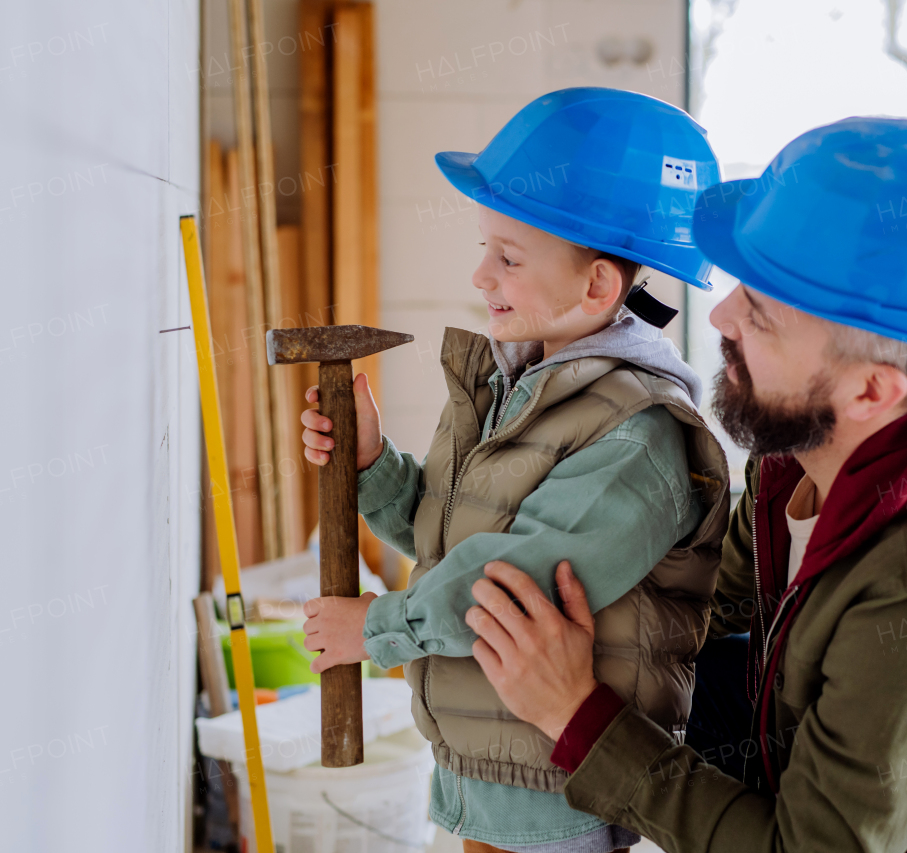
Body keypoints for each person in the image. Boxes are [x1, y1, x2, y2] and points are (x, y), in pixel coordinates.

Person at [460, 117, 907, 852]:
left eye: (762, 317)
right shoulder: (802, 445)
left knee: (597, 713)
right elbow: (707, 603)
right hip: (829, 746)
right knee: (648, 663)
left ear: (870, 390)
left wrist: (580, 716)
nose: (723, 314)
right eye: (746, 285)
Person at [296, 88, 731, 853]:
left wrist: (379, 628)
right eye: (484, 247)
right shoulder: (516, 382)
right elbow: (449, 527)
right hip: (481, 773)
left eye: (508, 257)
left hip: (558, 791)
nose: (480, 276)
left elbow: (510, 582)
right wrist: (372, 463)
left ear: (597, 286)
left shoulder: (640, 433)